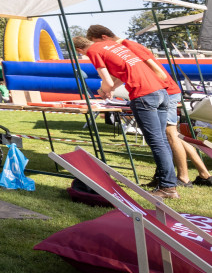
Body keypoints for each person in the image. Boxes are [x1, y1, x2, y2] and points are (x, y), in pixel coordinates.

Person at [79, 26, 177, 199]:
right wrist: (110, 88)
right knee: (161, 139)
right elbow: (121, 76)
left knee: (156, 141)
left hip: (144, 94)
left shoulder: (94, 50)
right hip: (160, 92)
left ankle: (168, 187)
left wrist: (103, 91)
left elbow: (107, 81)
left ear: (80, 49)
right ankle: (165, 181)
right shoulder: (116, 46)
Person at [118, 34, 212, 187]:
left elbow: (152, 72)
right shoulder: (133, 48)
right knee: (174, 136)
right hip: (168, 90)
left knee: (170, 136)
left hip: (165, 91)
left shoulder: (128, 47)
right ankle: (203, 174)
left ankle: (183, 178)